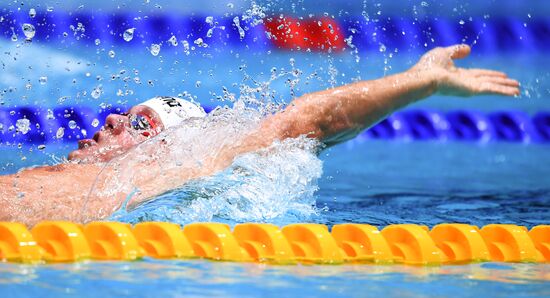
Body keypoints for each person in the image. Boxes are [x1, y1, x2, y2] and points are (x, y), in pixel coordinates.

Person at [0, 45, 520, 226]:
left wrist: (420, 80)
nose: (111, 122)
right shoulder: (69, 178)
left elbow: (304, 122)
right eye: (125, 116)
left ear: (165, 148)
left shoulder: (157, 172)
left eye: (142, 124)